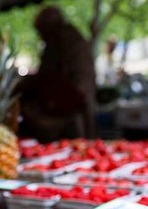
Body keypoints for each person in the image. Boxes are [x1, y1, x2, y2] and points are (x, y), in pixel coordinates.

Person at [19, 6, 95, 142]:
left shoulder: (60, 40)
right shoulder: (70, 37)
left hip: (69, 105)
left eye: (40, 31)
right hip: (75, 101)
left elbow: (48, 74)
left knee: (74, 143)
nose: (40, 35)